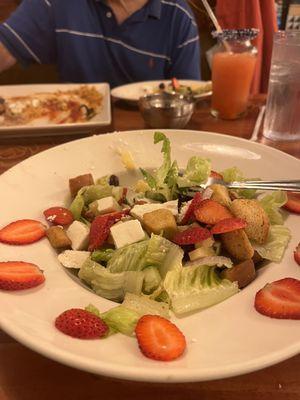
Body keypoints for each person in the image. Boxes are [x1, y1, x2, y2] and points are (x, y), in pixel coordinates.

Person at [0, 0, 201, 88]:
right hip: (70, 132)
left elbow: (189, 96)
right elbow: (4, 49)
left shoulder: (178, 16)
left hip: (149, 142)